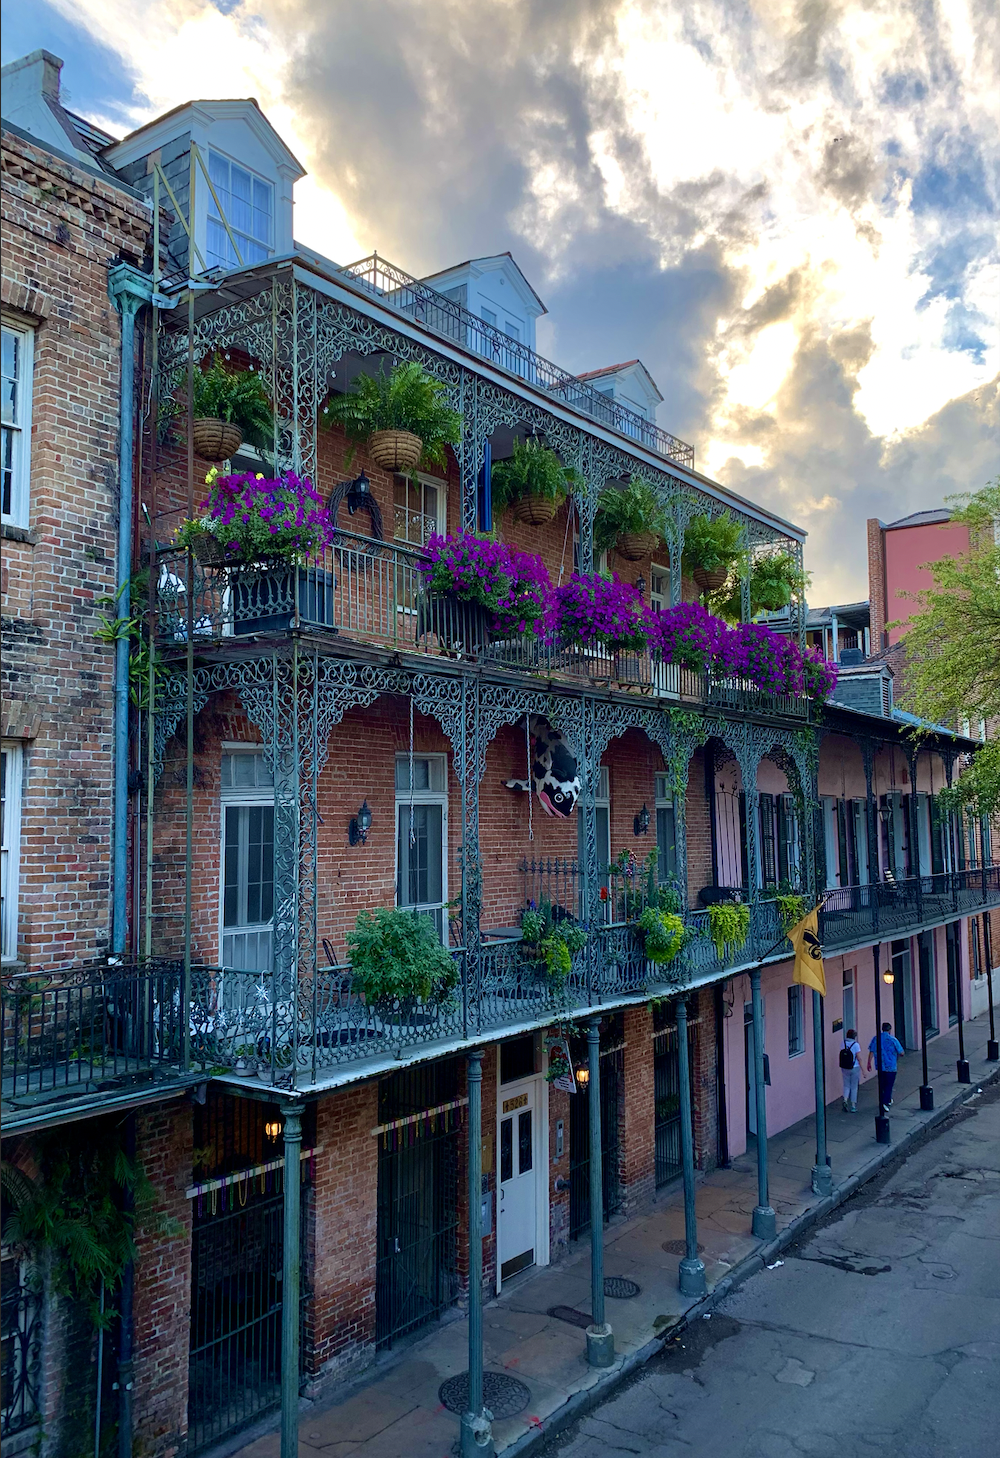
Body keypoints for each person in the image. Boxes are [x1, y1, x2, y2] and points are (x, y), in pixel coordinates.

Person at [867, 1022, 905, 1107]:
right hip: (891, 1066)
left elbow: (871, 1051)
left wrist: (869, 1063)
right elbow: (901, 1052)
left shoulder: (876, 1039)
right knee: (889, 1085)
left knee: (882, 1084)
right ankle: (885, 1101)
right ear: (890, 1030)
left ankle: (885, 1099)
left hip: (880, 1066)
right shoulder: (893, 1039)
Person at [840, 1029, 862, 1112]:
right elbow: (859, 1058)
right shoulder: (856, 1045)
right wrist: (863, 1070)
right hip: (854, 1067)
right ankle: (853, 1105)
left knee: (846, 1085)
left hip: (844, 1067)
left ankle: (845, 1100)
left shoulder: (843, 1043)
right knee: (854, 1087)